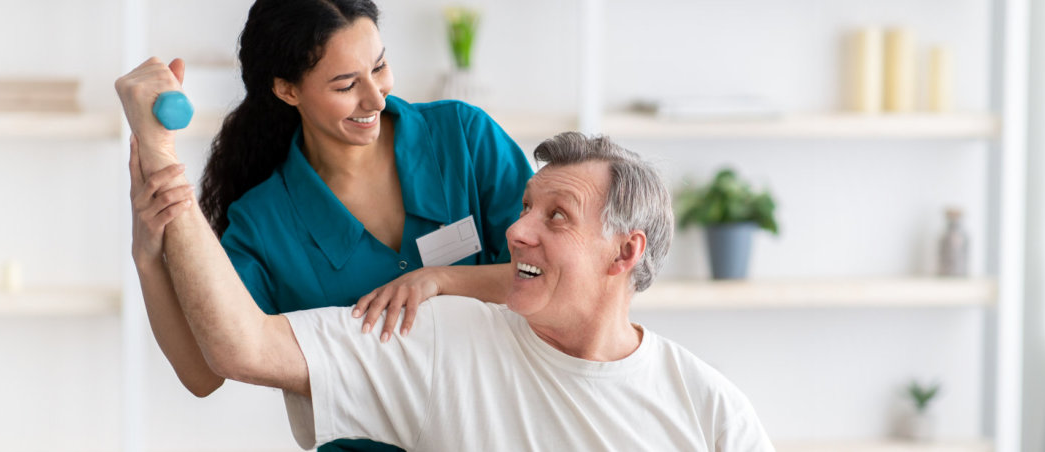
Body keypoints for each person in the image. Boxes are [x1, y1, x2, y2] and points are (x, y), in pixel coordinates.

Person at [128, 125, 774, 450]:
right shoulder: (440, 337)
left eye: (556, 217)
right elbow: (244, 347)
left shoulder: (713, 413)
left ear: (624, 253)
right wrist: (165, 181)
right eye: (525, 207)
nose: (516, 230)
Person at [115, 0, 533, 452]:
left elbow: (552, 279)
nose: (376, 97)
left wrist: (441, 280)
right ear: (288, 90)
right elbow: (202, 372)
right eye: (345, 85)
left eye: (379, 67)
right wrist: (148, 260)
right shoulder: (264, 220)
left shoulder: (464, 137)